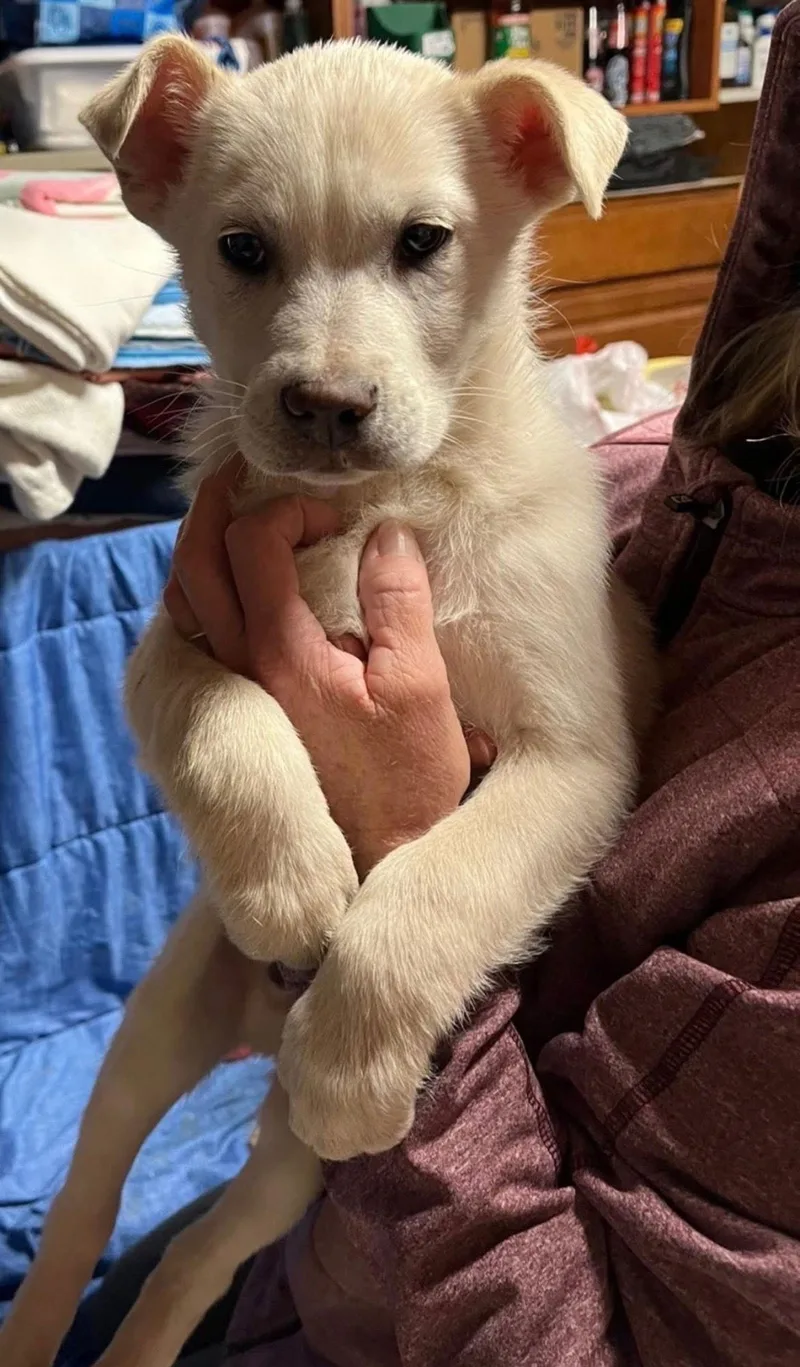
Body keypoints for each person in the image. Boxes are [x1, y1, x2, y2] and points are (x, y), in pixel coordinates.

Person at [85, 9, 800, 1363]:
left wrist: (383, 933)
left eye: (417, 245)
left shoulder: (537, 505)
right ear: (162, 185)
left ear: (529, 174)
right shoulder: (693, 492)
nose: (331, 371)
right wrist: (253, 796)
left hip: (433, 1228)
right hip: (315, 1207)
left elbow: (572, 759)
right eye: (250, 254)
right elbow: (179, 664)